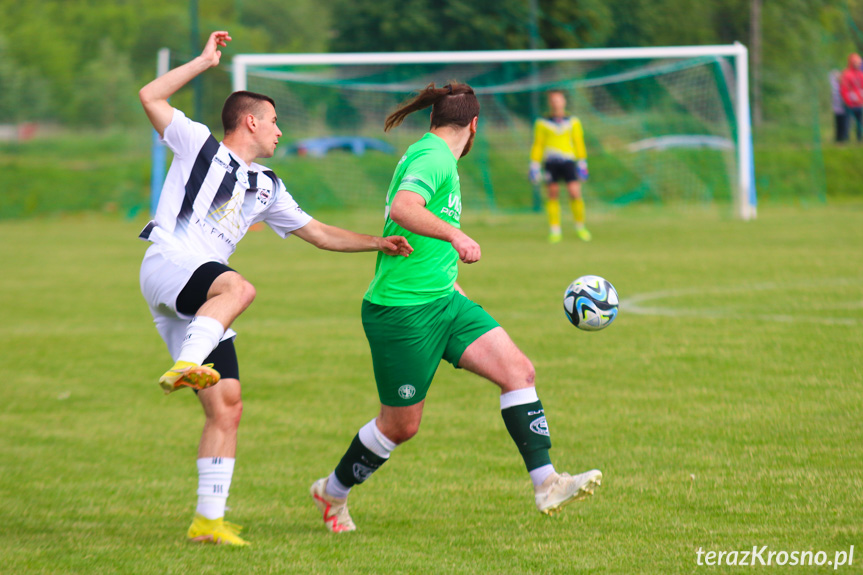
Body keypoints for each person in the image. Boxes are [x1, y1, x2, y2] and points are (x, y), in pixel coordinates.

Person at [137, 31, 412, 546]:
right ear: (251, 121)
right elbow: (150, 96)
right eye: (276, 121)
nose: (281, 132)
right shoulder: (196, 144)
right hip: (170, 264)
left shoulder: (267, 185)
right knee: (240, 289)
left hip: (198, 300)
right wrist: (202, 62)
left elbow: (319, 233)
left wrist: (379, 242)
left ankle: (207, 522)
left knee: (229, 405)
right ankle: (186, 364)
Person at [309, 82, 602, 533]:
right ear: (474, 125)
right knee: (401, 426)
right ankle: (332, 492)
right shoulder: (433, 158)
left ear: (434, 120)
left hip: (445, 301)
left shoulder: (430, 152)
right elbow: (406, 209)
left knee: (519, 371)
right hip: (401, 313)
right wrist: (457, 235)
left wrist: (452, 283)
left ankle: (547, 483)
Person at [529, 90, 591, 243]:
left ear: (564, 101)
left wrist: (582, 162)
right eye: (553, 100)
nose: (556, 103)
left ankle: (580, 226)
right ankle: (555, 229)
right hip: (551, 162)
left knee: (575, 192)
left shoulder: (573, 121)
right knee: (552, 193)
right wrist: (534, 164)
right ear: (550, 103)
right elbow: (538, 144)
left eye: (559, 100)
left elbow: (578, 141)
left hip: (568, 161)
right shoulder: (542, 122)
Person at [840, 53, 863, 142]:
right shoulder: (846, 74)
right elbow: (844, 89)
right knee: (847, 122)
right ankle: (845, 139)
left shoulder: (860, 74)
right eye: (857, 62)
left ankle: (859, 138)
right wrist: (847, 101)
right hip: (850, 103)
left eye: (859, 62)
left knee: (860, 121)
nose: (858, 64)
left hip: (859, 103)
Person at [830, 70, 848, 143]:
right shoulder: (835, 85)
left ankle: (844, 137)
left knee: (844, 122)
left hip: (844, 107)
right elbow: (831, 76)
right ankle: (838, 138)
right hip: (837, 108)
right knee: (838, 123)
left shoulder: (844, 85)